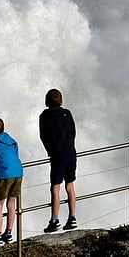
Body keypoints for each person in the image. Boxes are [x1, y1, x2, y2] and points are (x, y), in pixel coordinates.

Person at [39, 88, 77, 232]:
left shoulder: (44, 115)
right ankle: (72, 217)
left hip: (57, 155)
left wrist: (50, 150)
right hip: (71, 152)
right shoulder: (67, 113)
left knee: (55, 188)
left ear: (47, 101)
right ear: (61, 100)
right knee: (70, 186)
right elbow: (73, 132)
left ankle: (54, 220)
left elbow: (43, 136)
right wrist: (70, 145)